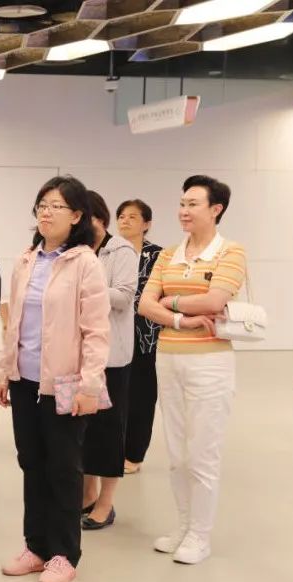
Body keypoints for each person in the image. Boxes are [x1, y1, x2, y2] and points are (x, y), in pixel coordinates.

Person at [0, 175, 110, 582]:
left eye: (55, 206)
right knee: (32, 464)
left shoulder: (85, 263)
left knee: (63, 468)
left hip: (65, 382)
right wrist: (5, 370)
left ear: (77, 216)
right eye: (42, 204)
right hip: (24, 379)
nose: (45, 212)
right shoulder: (26, 259)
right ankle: (36, 546)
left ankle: (64, 554)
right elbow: (14, 323)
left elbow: (96, 331)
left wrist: (90, 386)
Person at [139, 175, 246, 565]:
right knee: (177, 453)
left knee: (202, 453)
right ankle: (183, 526)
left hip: (210, 363)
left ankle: (201, 535)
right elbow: (144, 305)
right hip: (168, 357)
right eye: (182, 203)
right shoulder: (169, 254)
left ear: (216, 209)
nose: (183, 211)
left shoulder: (230, 252)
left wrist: (170, 300)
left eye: (193, 204)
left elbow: (216, 300)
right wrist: (182, 316)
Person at [81, 191, 138, 530]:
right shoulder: (77, 249)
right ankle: (87, 493)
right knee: (82, 429)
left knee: (108, 431)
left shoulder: (121, 250)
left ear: (100, 219)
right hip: (80, 355)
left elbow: (124, 296)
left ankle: (106, 502)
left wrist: (85, 290)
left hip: (112, 357)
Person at [116, 199, 162, 474]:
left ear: (146, 224)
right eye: (121, 216)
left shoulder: (158, 256)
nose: (125, 220)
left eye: (132, 217)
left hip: (144, 335)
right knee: (113, 394)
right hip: (112, 333)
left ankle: (134, 454)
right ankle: (111, 450)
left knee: (141, 397)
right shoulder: (109, 251)